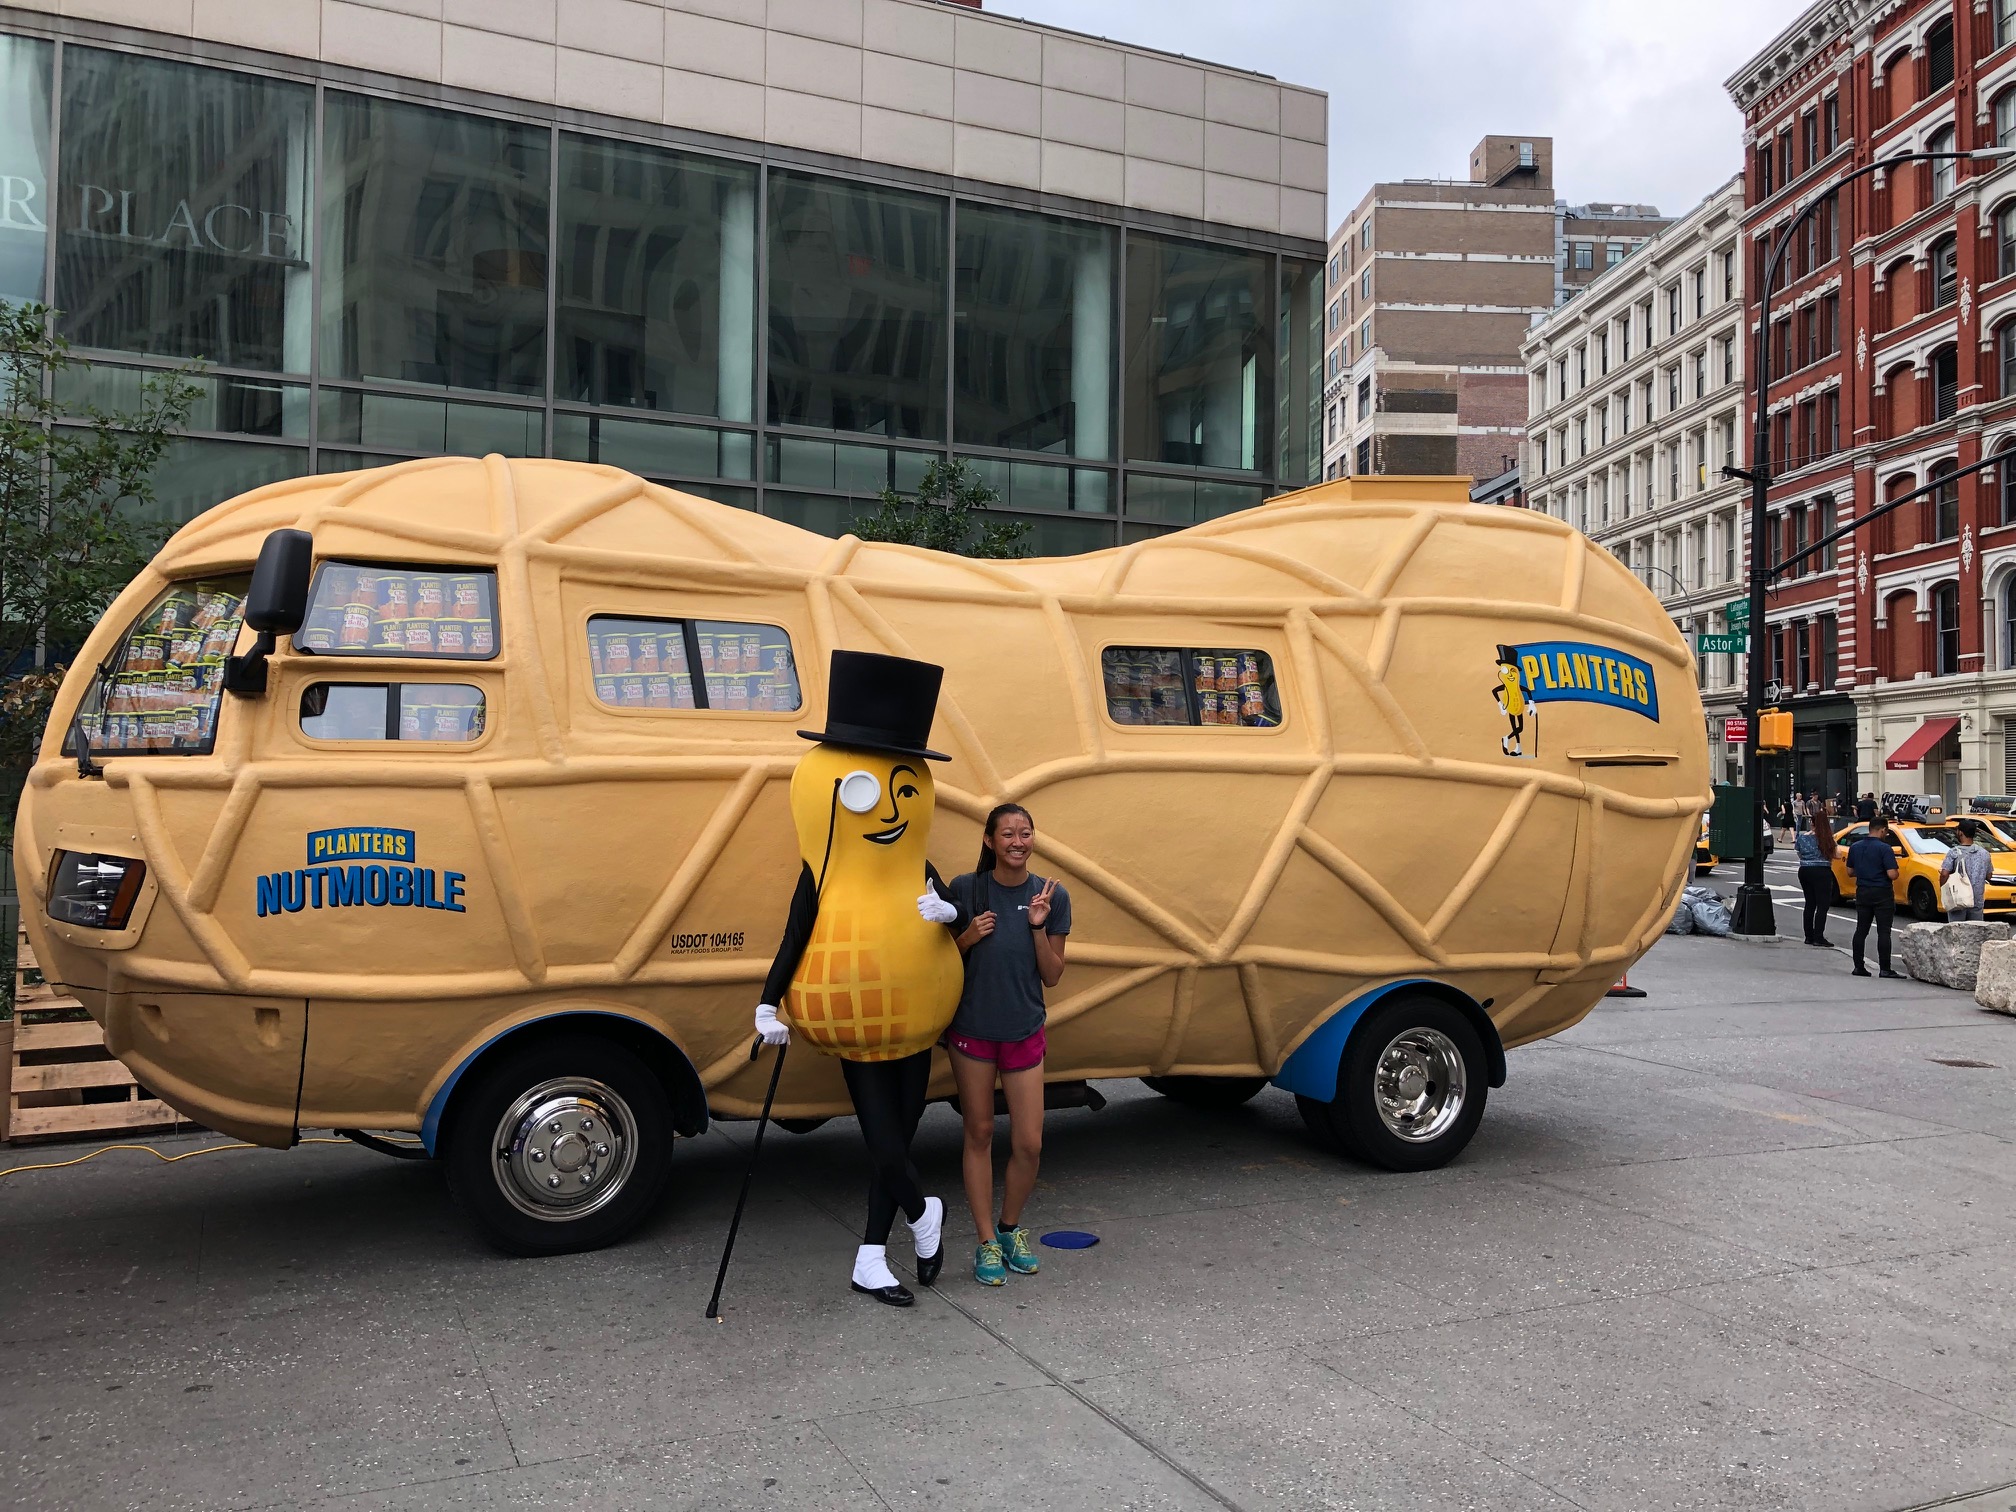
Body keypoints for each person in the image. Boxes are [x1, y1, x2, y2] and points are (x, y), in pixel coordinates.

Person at [945, 803, 1071, 1286]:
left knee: (1029, 1142)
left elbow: (1053, 977)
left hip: (1023, 1030)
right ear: (989, 841)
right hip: (972, 1031)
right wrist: (968, 937)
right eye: (1007, 834)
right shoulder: (967, 889)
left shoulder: (1051, 897)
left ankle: (1010, 1228)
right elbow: (940, 963)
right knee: (978, 1133)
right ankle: (984, 1243)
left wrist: (1037, 925)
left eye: (1026, 833)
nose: (1017, 841)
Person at [1846, 815, 1903, 979]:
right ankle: (1885, 968)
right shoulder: (1885, 849)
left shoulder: (1855, 847)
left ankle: (1858, 966)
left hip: (1863, 890)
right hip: (1882, 892)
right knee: (1883, 932)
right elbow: (1892, 874)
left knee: (1861, 929)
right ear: (1883, 830)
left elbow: (1850, 872)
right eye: (1886, 831)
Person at [1794, 797, 1839, 947]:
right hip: (1822, 871)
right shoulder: (1827, 839)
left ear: (1811, 823)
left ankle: (1808, 936)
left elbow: (1799, 854)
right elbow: (1837, 855)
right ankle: (1818, 936)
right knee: (1822, 905)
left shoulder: (1802, 838)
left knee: (1810, 904)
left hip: (1805, 870)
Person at [1939, 817, 1991, 924]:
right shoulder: (1984, 853)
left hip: (1958, 899)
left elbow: (1944, 874)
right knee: (1976, 932)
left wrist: (1943, 889)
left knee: (1956, 931)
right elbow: (1989, 876)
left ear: (1961, 833)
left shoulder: (1954, 853)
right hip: (1977, 900)